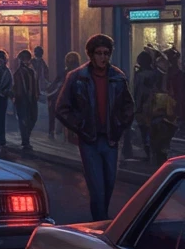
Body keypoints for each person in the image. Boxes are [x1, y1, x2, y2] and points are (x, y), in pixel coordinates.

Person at [55, 34, 135, 221]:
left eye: (106, 53)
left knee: (108, 185)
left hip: (110, 139)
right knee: (97, 188)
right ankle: (101, 225)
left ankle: (102, 221)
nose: (103, 57)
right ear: (91, 54)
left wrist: (120, 125)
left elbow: (129, 106)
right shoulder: (77, 78)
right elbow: (61, 108)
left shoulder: (117, 77)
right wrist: (80, 126)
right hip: (89, 140)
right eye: (99, 53)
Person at [132, 51, 162, 161]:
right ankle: (155, 152)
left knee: (143, 130)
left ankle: (147, 153)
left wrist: (136, 106)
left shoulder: (140, 75)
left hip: (143, 106)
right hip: (155, 105)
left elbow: (137, 92)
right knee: (154, 130)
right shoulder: (156, 73)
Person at [47, 52, 80, 140]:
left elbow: (56, 85)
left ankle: (53, 131)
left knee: (53, 111)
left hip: (63, 97)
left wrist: (49, 93)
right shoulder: (79, 73)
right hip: (73, 98)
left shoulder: (65, 73)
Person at [13, 50, 39, 153]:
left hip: (31, 99)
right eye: (23, 59)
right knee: (23, 120)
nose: (26, 61)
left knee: (33, 118)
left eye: (27, 58)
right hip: (21, 99)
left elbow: (35, 84)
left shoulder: (31, 71)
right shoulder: (18, 73)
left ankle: (26, 136)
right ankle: (25, 141)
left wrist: (37, 94)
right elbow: (16, 87)